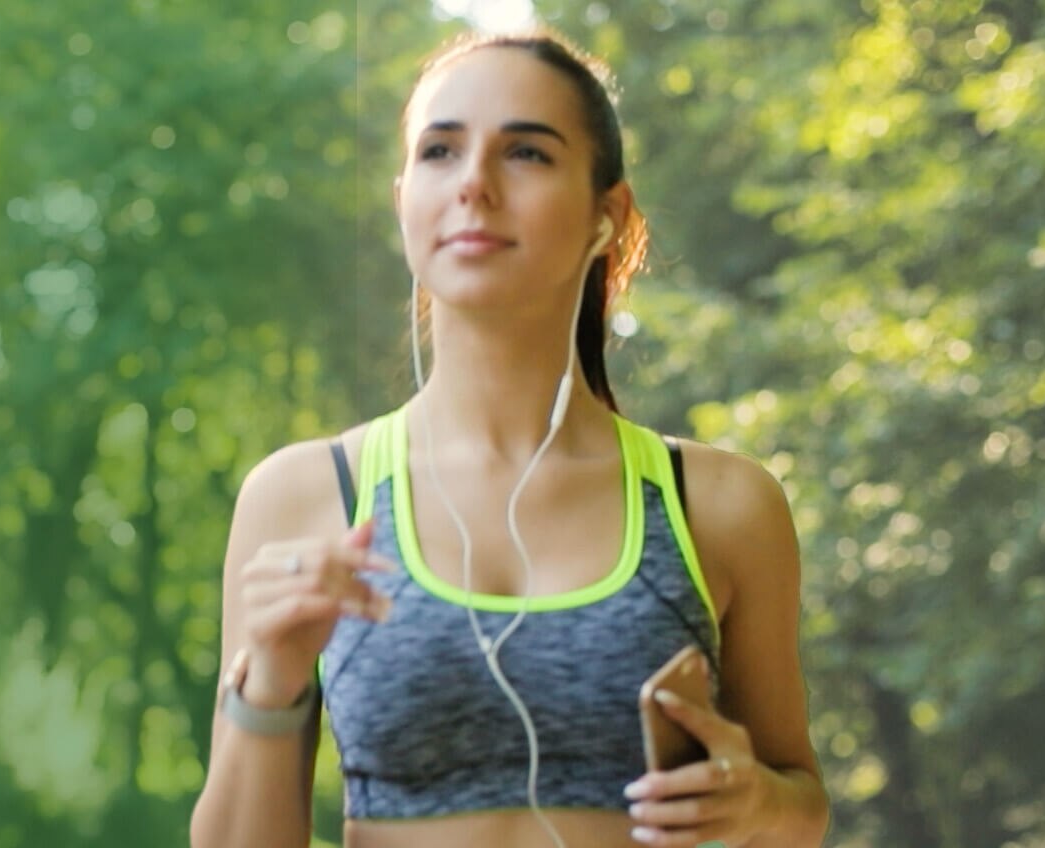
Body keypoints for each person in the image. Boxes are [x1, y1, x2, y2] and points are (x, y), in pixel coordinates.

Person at [190, 28, 829, 848]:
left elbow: (801, 802)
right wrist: (272, 682)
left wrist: (760, 806)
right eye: (440, 152)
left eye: (525, 153)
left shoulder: (721, 505)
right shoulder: (303, 496)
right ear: (403, 203)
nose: (474, 186)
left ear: (610, 216)